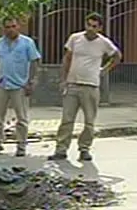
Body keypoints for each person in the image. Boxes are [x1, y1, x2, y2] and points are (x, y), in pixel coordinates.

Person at [49, 12, 122, 162]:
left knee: (89, 121)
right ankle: (61, 149)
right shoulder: (75, 38)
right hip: (73, 83)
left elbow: (117, 56)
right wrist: (63, 79)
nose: (90, 29)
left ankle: (84, 149)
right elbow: (67, 58)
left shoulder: (104, 42)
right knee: (67, 119)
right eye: (88, 25)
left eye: (94, 26)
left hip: (91, 85)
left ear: (100, 28)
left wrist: (105, 69)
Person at [0, 17, 41, 157]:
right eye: (7, 27)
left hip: (20, 85)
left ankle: (21, 145)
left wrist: (31, 81)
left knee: (21, 118)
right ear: (3, 28)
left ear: (18, 27)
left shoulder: (27, 43)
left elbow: (35, 62)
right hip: (2, 84)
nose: (10, 29)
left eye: (13, 26)